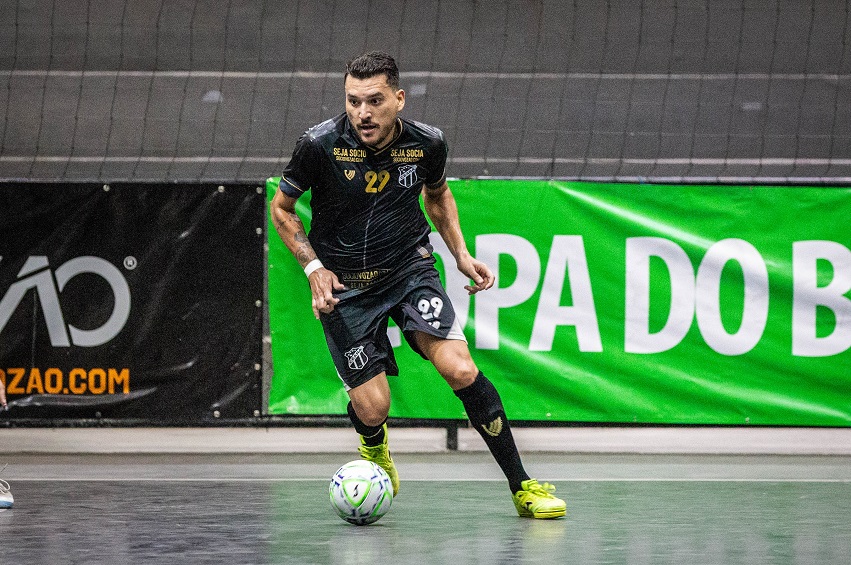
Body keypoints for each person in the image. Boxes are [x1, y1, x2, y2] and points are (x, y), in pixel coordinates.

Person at [270, 51, 565, 519]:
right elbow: (282, 209)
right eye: (353, 101)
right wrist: (313, 268)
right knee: (373, 407)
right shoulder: (319, 144)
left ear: (399, 99)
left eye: (374, 100)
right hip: (346, 288)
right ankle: (375, 445)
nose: (362, 113)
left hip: (409, 271)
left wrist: (461, 254)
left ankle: (522, 485)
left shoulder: (428, 143)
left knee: (461, 370)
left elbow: (438, 193)